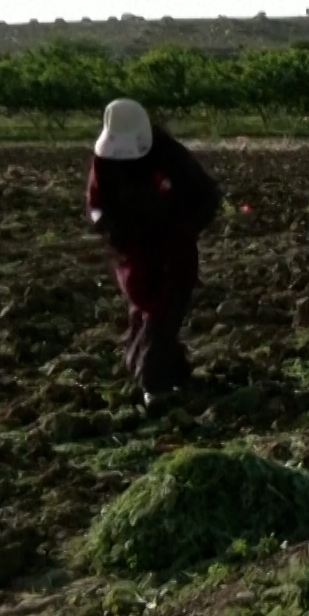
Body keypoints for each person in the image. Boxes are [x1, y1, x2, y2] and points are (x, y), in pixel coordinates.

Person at [84, 99, 221, 406]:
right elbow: (96, 204)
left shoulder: (169, 156)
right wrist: (111, 229)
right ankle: (169, 375)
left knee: (165, 310)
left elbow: (206, 197)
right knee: (143, 309)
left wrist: (184, 229)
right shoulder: (105, 161)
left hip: (174, 248)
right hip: (133, 250)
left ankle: (154, 381)